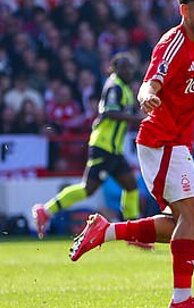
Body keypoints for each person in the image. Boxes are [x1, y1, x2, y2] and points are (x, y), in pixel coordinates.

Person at [67, 0, 194, 308]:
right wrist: (147, 96)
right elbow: (150, 81)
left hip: (177, 142)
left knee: (188, 222)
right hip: (161, 141)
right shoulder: (173, 43)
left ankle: (106, 231)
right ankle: (181, 300)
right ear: (184, 11)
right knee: (193, 214)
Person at [32, 53, 143, 238]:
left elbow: (126, 113)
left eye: (130, 67)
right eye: (124, 67)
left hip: (114, 150)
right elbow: (109, 113)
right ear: (114, 69)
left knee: (131, 186)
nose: (128, 71)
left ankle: (133, 233)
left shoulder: (124, 88)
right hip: (103, 146)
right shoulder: (114, 86)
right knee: (88, 189)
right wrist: (137, 118)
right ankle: (46, 210)